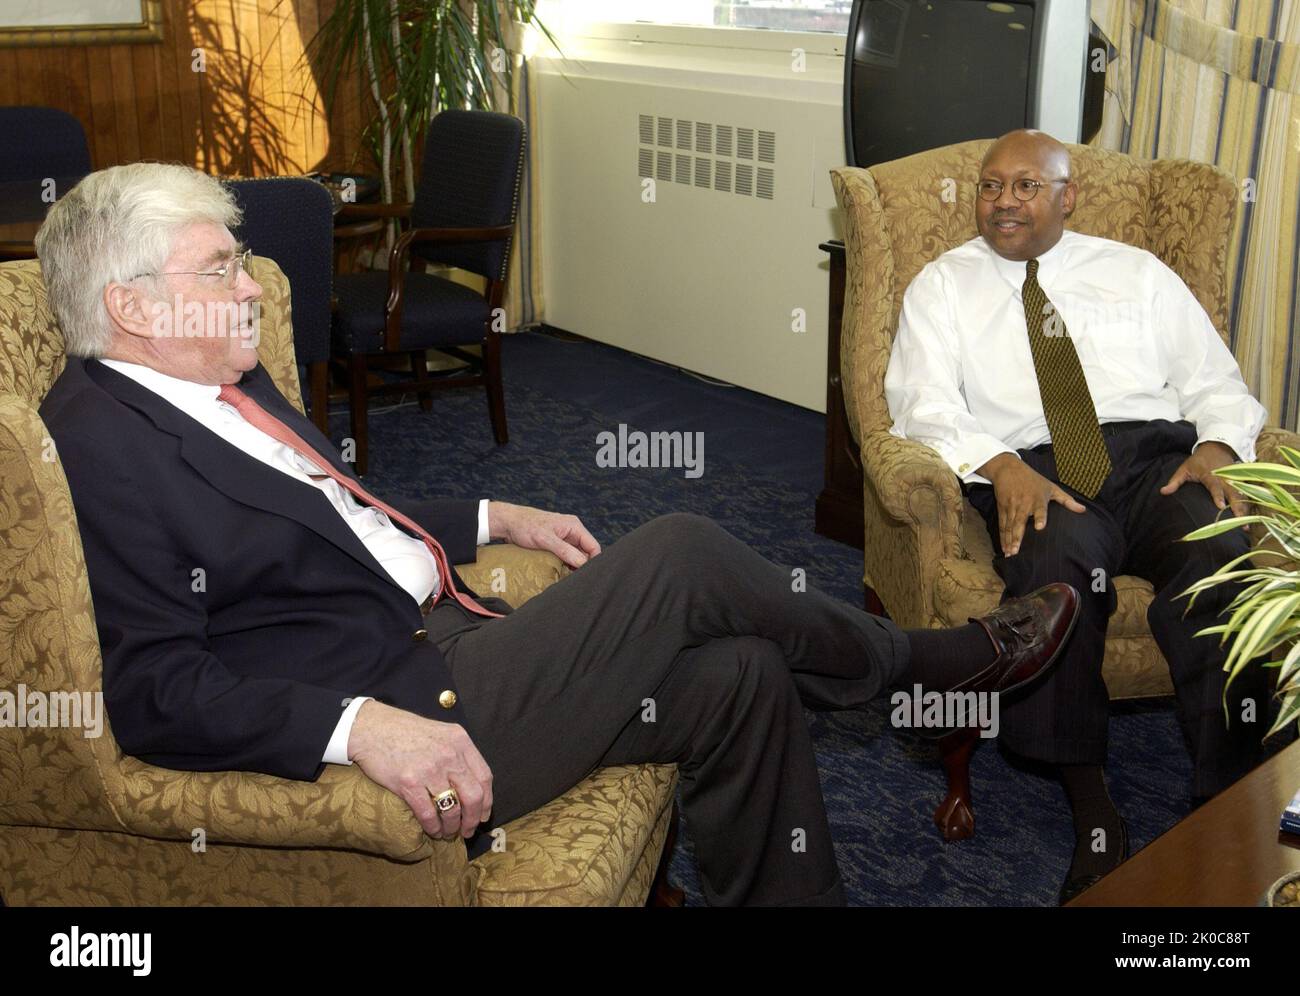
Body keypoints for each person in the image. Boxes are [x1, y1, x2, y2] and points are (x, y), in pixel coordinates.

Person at [37, 162, 1079, 907]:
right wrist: (358, 729)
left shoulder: (224, 380)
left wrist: (496, 514)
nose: (251, 286)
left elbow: (340, 512)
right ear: (131, 305)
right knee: (673, 548)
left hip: (451, 635)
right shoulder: (100, 447)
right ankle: (915, 671)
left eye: (240, 261)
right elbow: (155, 692)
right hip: (410, 704)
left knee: (745, 673)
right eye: (218, 269)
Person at [884, 129, 1270, 903]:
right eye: (992, 186)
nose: (1004, 201)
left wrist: (1220, 444)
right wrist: (997, 466)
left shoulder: (1137, 272)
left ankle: (1229, 797)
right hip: (1036, 470)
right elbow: (919, 404)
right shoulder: (942, 285)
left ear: (1069, 195)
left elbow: (1211, 377)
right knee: (1055, 572)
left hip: (1155, 464)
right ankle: (1091, 807)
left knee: (1222, 559)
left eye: (1027, 186)